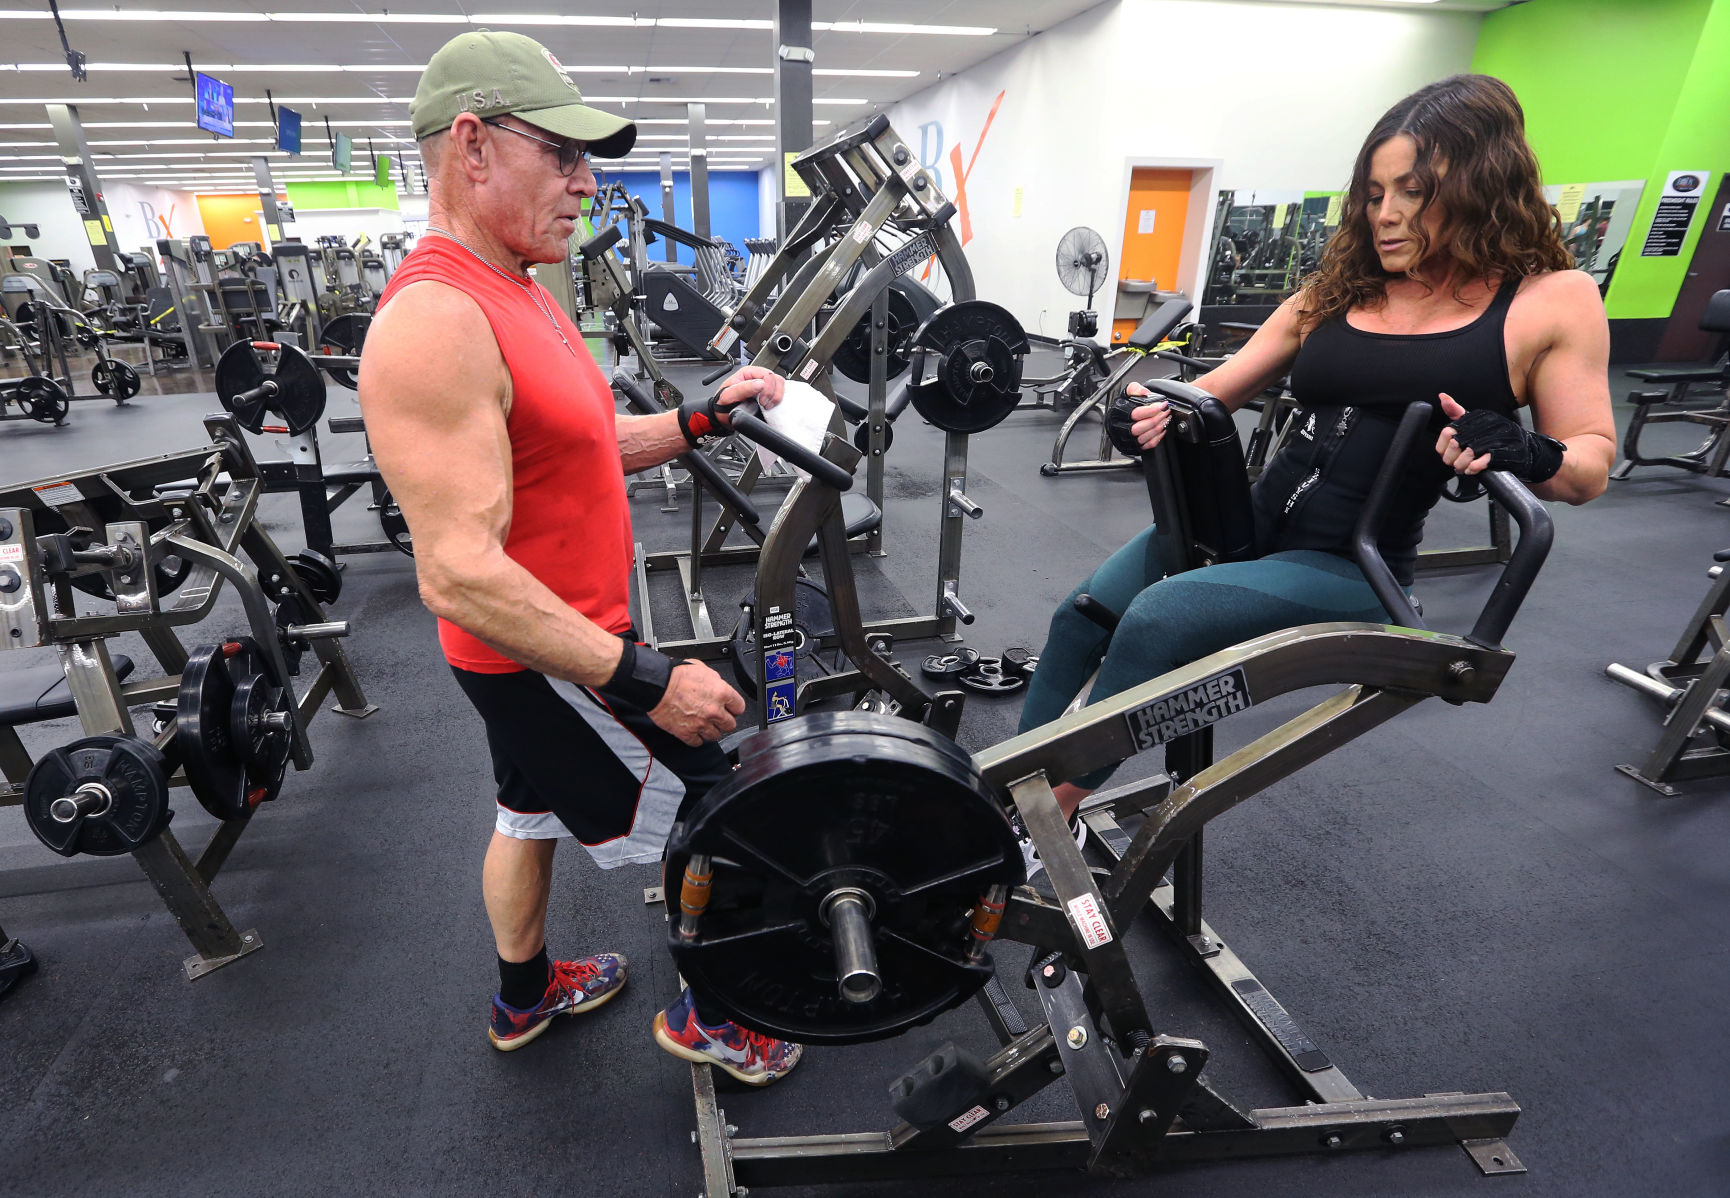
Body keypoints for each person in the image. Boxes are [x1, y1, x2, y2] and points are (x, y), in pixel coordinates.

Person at [358, 29, 801, 1086]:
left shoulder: (518, 285)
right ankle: (718, 1019)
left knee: (526, 816)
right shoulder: (436, 320)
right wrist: (644, 677)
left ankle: (523, 996)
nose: (586, 181)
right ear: (472, 146)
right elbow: (456, 572)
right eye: (560, 154)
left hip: (557, 645)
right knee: (722, 801)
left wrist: (699, 420)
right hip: (550, 659)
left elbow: (584, 443)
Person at [1017, 74, 1615, 843]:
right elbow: (1213, 391)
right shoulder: (1338, 289)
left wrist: (1527, 449)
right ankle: (1008, 783)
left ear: (1480, 186)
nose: (1385, 214)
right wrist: (1143, 413)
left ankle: (1045, 814)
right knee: (1082, 616)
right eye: (1374, 194)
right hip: (1245, 525)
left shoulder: (1549, 300)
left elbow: (1588, 465)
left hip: (1357, 566)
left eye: (1412, 192)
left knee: (1161, 617)